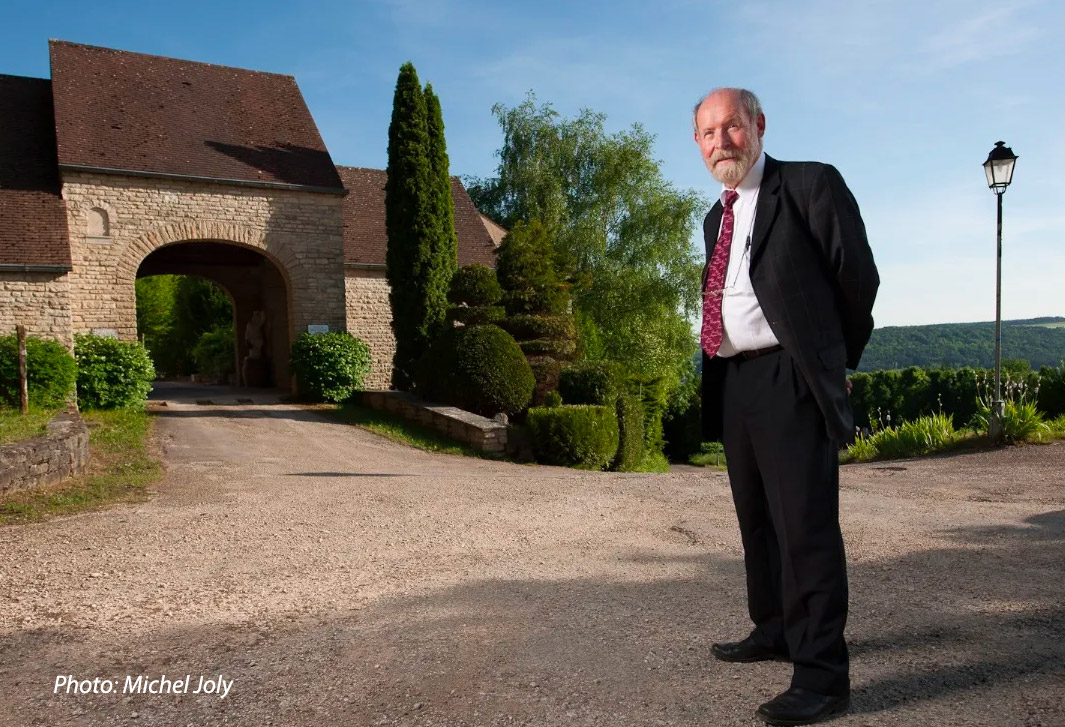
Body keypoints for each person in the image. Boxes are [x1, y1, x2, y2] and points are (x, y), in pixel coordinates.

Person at [693, 87, 879, 726]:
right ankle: (772, 628)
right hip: (735, 380)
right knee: (758, 522)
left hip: (790, 376)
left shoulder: (810, 185)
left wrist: (827, 364)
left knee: (805, 530)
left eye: (732, 127)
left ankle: (823, 676)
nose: (722, 142)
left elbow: (858, 280)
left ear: (759, 125)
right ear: (699, 144)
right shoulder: (717, 216)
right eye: (709, 133)